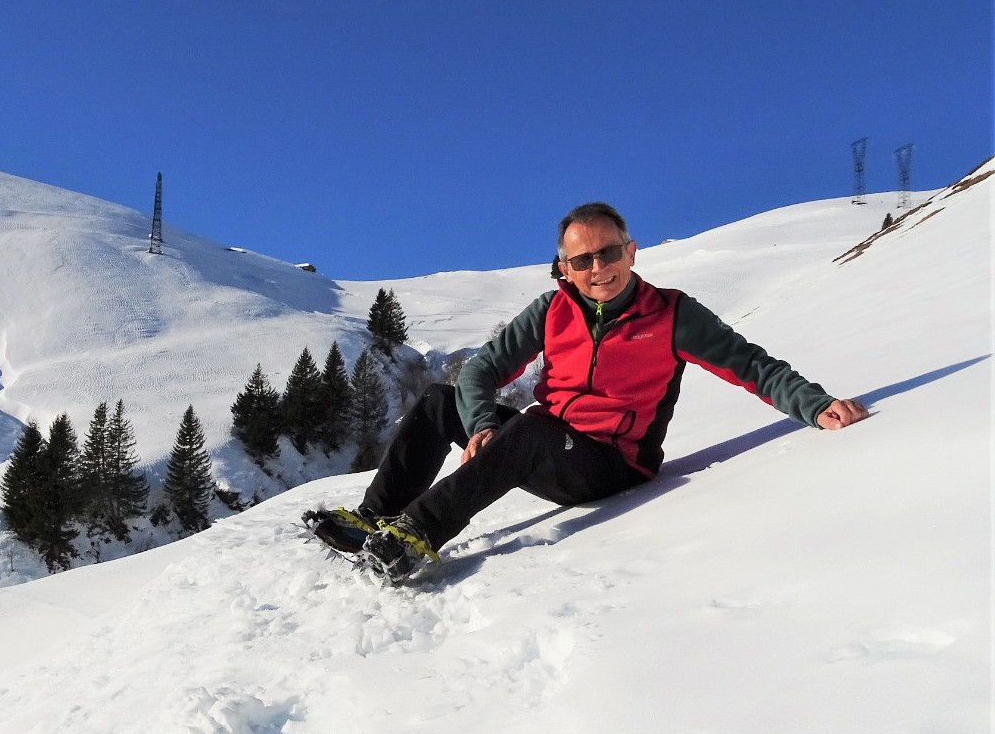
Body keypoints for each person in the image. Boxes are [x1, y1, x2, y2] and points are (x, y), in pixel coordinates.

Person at [307, 202, 869, 581]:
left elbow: (752, 366)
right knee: (437, 401)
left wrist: (816, 405)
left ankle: (417, 536)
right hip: (545, 446)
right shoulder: (551, 310)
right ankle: (373, 521)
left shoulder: (671, 315)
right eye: (583, 259)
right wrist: (480, 426)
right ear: (564, 266)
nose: (597, 266)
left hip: (611, 465)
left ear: (631, 251)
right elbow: (479, 372)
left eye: (608, 252)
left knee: (532, 426)